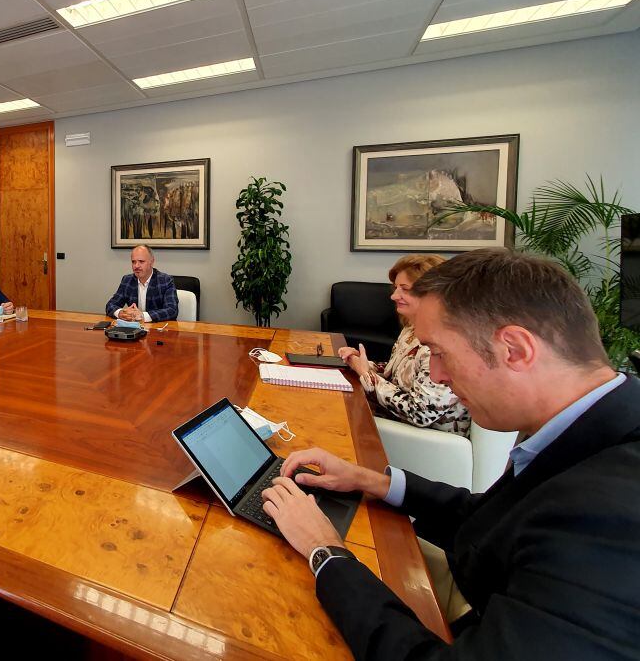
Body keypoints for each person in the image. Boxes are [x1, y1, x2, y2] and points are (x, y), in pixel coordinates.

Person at [260, 249, 640, 660]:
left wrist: (324, 550)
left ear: (514, 349)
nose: (437, 375)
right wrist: (371, 479)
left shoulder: (613, 518)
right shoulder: (593, 426)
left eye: (439, 352)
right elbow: (491, 518)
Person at [337, 254, 469, 435]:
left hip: (421, 437)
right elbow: (395, 374)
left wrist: (366, 375)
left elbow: (420, 413)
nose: (393, 296)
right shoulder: (411, 329)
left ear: (432, 294)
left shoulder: (441, 345)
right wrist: (361, 363)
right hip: (390, 417)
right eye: (396, 288)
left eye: (404, 289)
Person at [105, 244, 179, 322]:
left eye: (141, 261)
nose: (136, 266)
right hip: (134, 329)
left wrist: (143, 316)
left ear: (152, 262)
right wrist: (120, 313)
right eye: (133, 262)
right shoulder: (127, 280)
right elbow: (110, 305)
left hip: (158, 329)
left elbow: (172, 310)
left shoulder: (165, 280)